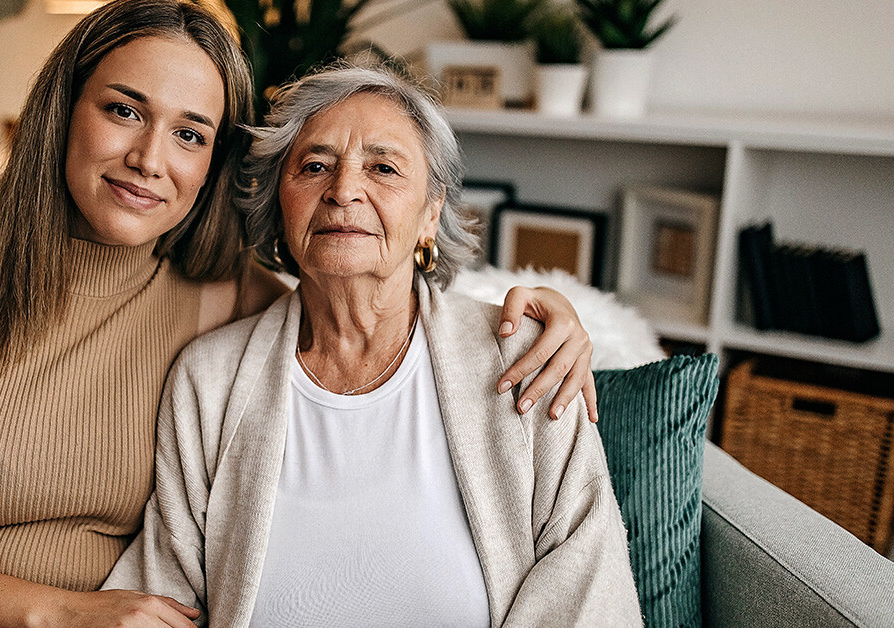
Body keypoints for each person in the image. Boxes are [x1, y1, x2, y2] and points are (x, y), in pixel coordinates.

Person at [0, 1, 600, 626]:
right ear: (62, 113)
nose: (151, 159)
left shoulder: (218, 303)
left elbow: (356, 287)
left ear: (212, 166)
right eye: (124, 111)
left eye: (190, 134)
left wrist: (550, 317)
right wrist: (59, 615)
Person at [103, 63, 642, 627]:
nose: (344, 191)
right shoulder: (209, 381)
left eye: (382, 167)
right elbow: (164, 595)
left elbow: (585, 584)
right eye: (315, 167)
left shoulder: (523, 357)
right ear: (279, 204)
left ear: (430, 214)